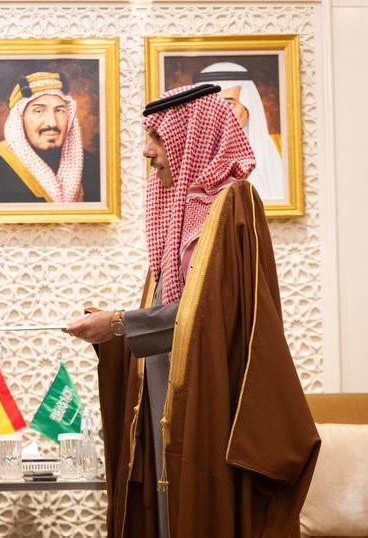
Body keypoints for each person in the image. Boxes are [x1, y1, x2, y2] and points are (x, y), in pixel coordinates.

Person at [65, 84, 319, 537]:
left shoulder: (233, 204)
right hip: (165, 390)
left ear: (191, 137)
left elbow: (211, 312)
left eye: (157, 138)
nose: (148, 151)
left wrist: (119, 323)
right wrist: (114, 329)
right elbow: (172, 308)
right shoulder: (179, 213)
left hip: (209, 397)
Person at [0, 71, 100, 204]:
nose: (52, 123)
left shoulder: (93, 165)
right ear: (20, 120)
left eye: (59, 110)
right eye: (39, 111)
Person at [194, 61, 287, 202]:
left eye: (229, 103)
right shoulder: (188, 157)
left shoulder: (281, 149)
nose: (220, 113)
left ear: (249, 106)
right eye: (211, 105)